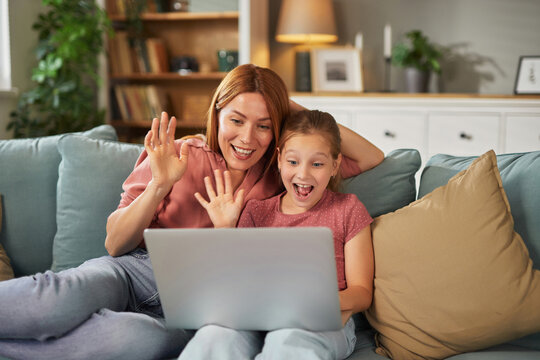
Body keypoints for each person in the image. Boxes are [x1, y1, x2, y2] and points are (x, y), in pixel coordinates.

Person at [0, 65, 383, 360]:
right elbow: (115, 243)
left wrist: (286, 105)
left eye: (264, 126)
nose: (248, 139)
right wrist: (159, 185)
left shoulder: (283, 173)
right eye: (236, 119)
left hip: (197, 307)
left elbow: (368, 156)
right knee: (58, 299)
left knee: (133, 341)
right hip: (137, 269)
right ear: (216, 113)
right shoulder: (181, 154)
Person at [185, 109, 375, 360]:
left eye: (317, 164)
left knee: (288, 340)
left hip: (322, 321)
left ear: (335, 165)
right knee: (215, 337)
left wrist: (322, 303)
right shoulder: (256, 212)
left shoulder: (348, 209)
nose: (303, 174)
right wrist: (224, 230)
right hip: (258, 317)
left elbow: (362, 293)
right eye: (293, 162)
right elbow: (233, 283)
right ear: (279, 160)